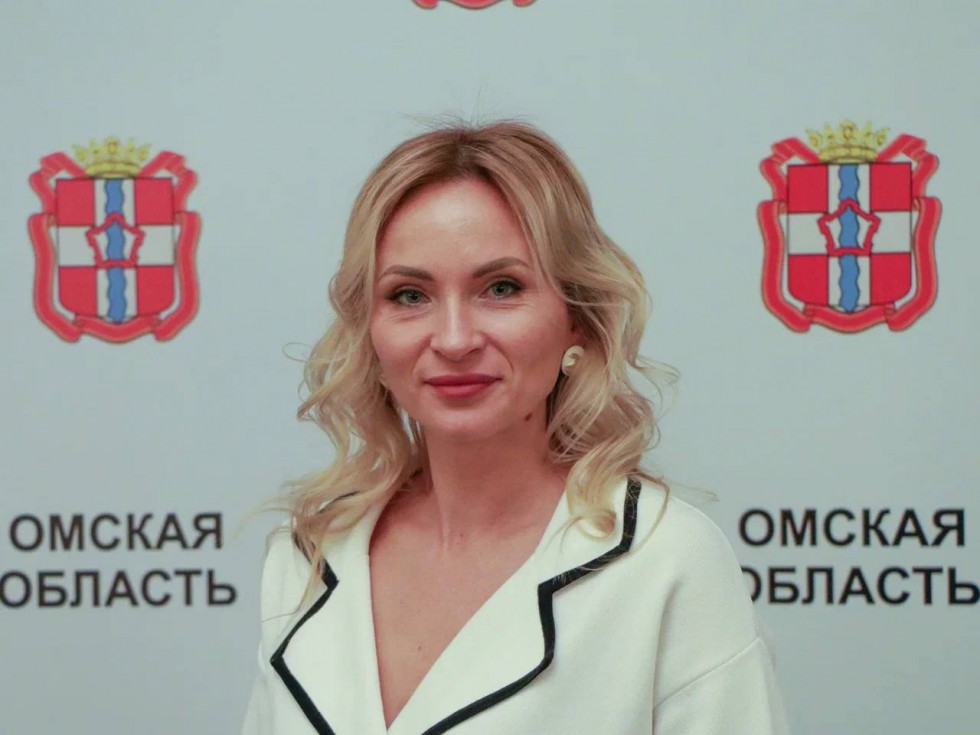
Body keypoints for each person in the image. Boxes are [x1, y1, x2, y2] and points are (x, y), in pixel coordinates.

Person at [242, 121, 790, 735]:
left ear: (577, 317)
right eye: (409, 295)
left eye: (500, 288)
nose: (454, 340)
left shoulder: (667, 562)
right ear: (369, 330)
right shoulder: (308, 553)